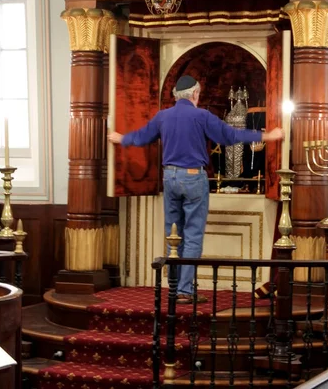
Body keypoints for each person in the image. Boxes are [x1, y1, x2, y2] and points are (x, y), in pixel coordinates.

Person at [109, 75, 284, 305]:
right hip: (193, 178)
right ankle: (184, 290)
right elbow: (231, 135)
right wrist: (267, 135)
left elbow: (142, 137)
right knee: (192, 236)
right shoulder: (201, 116)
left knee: (173, 234)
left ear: (175, 96)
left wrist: (122, 138)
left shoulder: (163, 116)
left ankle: (173, 287)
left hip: (169, 177)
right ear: (195, 94)